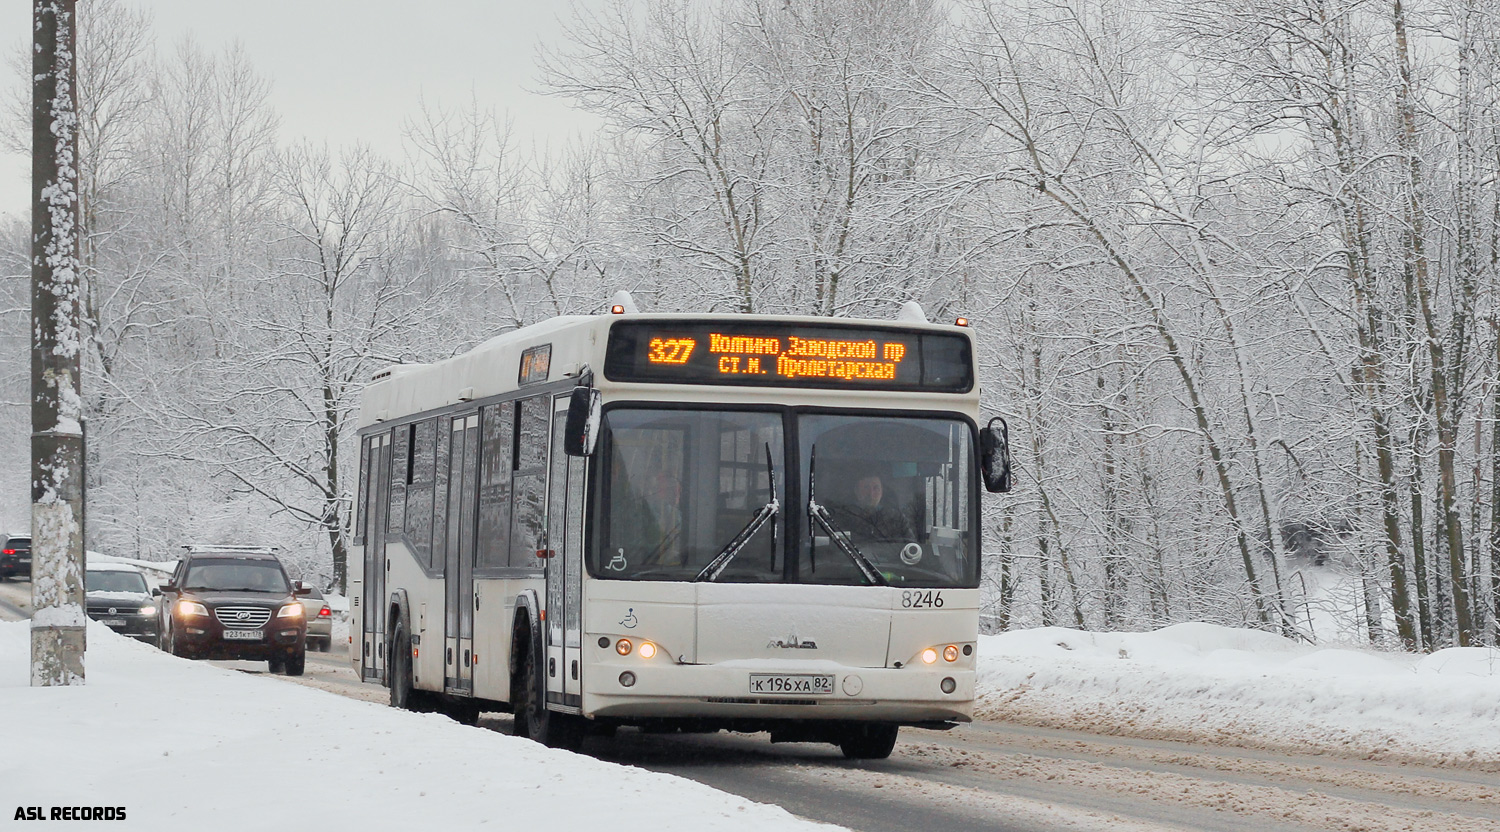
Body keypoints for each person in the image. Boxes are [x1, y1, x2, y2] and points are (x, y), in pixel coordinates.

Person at [836, 472, 915, 544]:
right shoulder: (842, 517)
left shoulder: (897, 518)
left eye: (876, 488)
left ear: (882, 492)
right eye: (866, 488)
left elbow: (912, 547)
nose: (871, 494)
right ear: (856, 491)